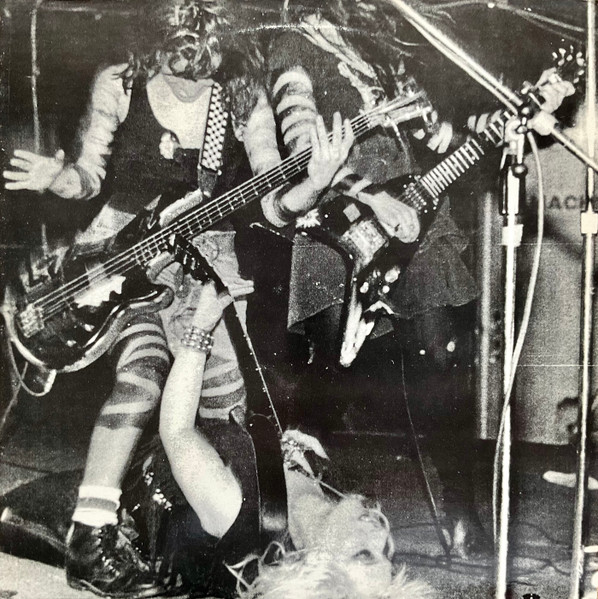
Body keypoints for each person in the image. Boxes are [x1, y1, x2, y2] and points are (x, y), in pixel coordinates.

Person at [2, 1, 354, 595]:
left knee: (224, 414)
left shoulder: (242, 93)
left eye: (206, 58)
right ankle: (90, 536)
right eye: (176, 58)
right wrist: (56, 179)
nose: (192, 73)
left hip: (208, 262)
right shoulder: (120, 80)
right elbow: (88, 177)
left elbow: (272, 203)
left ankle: (194, 534)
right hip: (124, 259)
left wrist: (314, 185)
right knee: (142, 379)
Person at [244, 0, 576, 560]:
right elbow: (304, 152)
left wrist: (512, 117)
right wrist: (373, 197)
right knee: (328, 382)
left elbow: (440, 136)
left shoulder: (380, 48)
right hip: (340, 223)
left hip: (417, 215)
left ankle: (461, 513)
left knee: (442, 362)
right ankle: (294, 520)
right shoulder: (292, 45)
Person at [128, 277, 434, 599]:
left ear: (318, 569)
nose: (380, 534)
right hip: (230, 422)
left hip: (160, 443)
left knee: (177, 293)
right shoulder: (334, 492)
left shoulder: (235, 512)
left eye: (365, 554)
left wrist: (201, 327)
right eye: (386, 553)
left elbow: (176, 430)